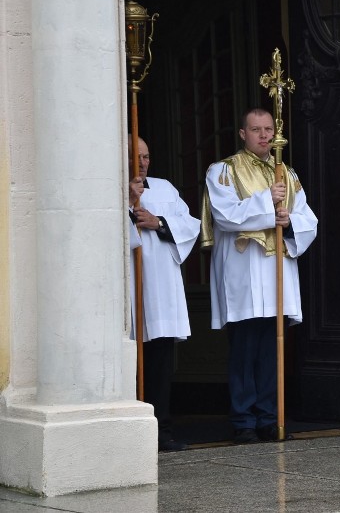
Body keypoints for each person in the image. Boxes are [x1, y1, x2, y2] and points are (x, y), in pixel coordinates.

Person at [201, 107, 318, 444]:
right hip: (244, 270)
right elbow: (226, 216)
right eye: (256, 130)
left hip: (276, 270)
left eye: (268, 129)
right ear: (242, 133)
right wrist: (268, 204)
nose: (264, 136)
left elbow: (307, 217)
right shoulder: (224, 171)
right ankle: (243, 420)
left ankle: (269, 416)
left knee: (271, 349)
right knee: (244, 348)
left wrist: (289, 223)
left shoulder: (287, 173)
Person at [129, 137, 201, 452]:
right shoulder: (109, 188)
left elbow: (190, 225)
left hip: (161, 290)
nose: (143, 162)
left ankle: (162, 429)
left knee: (159, 363)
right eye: (136, 156)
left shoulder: (164, 188)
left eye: (146, 156)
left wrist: (158, 222)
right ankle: (132, 431)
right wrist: (131, 211)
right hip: (131, 288)